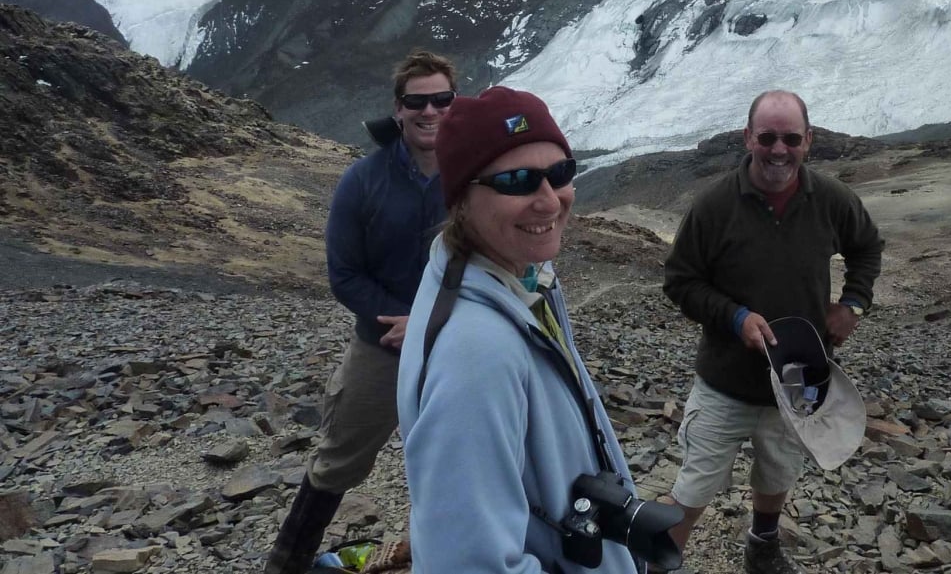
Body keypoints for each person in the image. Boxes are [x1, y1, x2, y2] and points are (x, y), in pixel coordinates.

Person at [398, 87, 659, 573]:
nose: (548, 201)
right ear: (461, 199)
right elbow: (466, 564)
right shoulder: (477, 353)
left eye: (560, 173)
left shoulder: (519, 280)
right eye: (517, 181)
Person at [660, 90, 884, 574]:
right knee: (698, 480)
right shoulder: (715, 206)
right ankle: (659, 561)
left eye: (790, 138)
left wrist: (854, 304)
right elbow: (680, 281)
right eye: (766, 138)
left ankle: (762, 545)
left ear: (809, 140)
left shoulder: (830, 200)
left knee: (779, 466)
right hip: (726, 380)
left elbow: (867, 247)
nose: (778, 150)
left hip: (797, 378)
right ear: (748, 138)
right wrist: (735, 317)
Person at [264, 49, 456, 574]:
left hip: (459, 342)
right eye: (417, 101)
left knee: (462, 455)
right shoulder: (362, 180)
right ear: (398, 109)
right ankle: (288, 559)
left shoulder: (473, 177)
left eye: (442, 99)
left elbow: (488, 262)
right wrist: (401, 322)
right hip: (383, 344)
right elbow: (344, 273)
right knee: (338, 459)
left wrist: (434, 320)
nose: (430, 111)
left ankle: (449, 555)